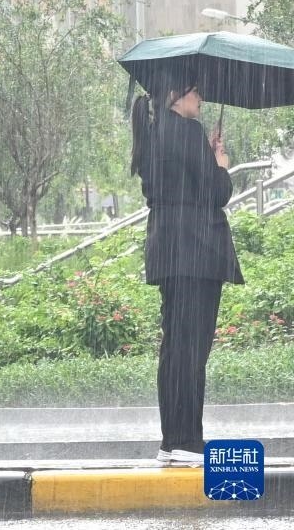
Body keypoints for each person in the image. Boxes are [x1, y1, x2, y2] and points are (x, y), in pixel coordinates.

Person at [130, 70, 243, 467]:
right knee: (192, 349)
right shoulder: (188, 131)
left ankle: (173, 440)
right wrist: (220, 164)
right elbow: (216, 193)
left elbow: (175, 184)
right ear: (176, 95)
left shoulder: (153, 133)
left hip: (169, 249)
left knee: (176, 346)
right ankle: (188, 442)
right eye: (196, 92)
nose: (201, 99)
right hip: (196, 249)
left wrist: (205, 159)